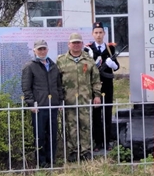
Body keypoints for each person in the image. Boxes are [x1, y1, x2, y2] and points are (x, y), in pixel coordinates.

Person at [57, 32, 102, 162]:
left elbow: (96, 79)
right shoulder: (61, 60)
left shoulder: (88, 60)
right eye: (74, 43)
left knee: (86, 125)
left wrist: (97, 95)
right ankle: (73, 151)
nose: (76, 45)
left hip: (85, 98)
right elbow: (57, 82)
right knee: (71, 126)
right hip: (69, 99)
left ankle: (86, 151)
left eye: (78, 42)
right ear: (69, 44)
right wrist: (60, 99)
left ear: (82, 44)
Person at [21, 40, 63, 168]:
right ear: (35, 51)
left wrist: (59, 101)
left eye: (44, 49)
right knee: (40, 134)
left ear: (47, 50)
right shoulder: (30, 66)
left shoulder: (54, 66)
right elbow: (26, 87)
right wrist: (31, 103)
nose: (42, 51)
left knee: (52, 133)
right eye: (39, 49)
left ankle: (52, 159)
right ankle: (42, 160)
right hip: (39, 106)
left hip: (53, 105)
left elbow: (59, 85)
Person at [85, 22, 119, 152]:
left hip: (107, 85)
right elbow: (86, 67)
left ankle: (107, 141)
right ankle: (97, 142)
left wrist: (111, 64)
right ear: (93, 34)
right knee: (96, 113)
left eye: (100, 32)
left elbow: (117, 67)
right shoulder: (88, 49)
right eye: (96, 33)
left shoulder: (110, 48)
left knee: (107, 113)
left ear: (104, 34)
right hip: (94, 86)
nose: (98, 35)